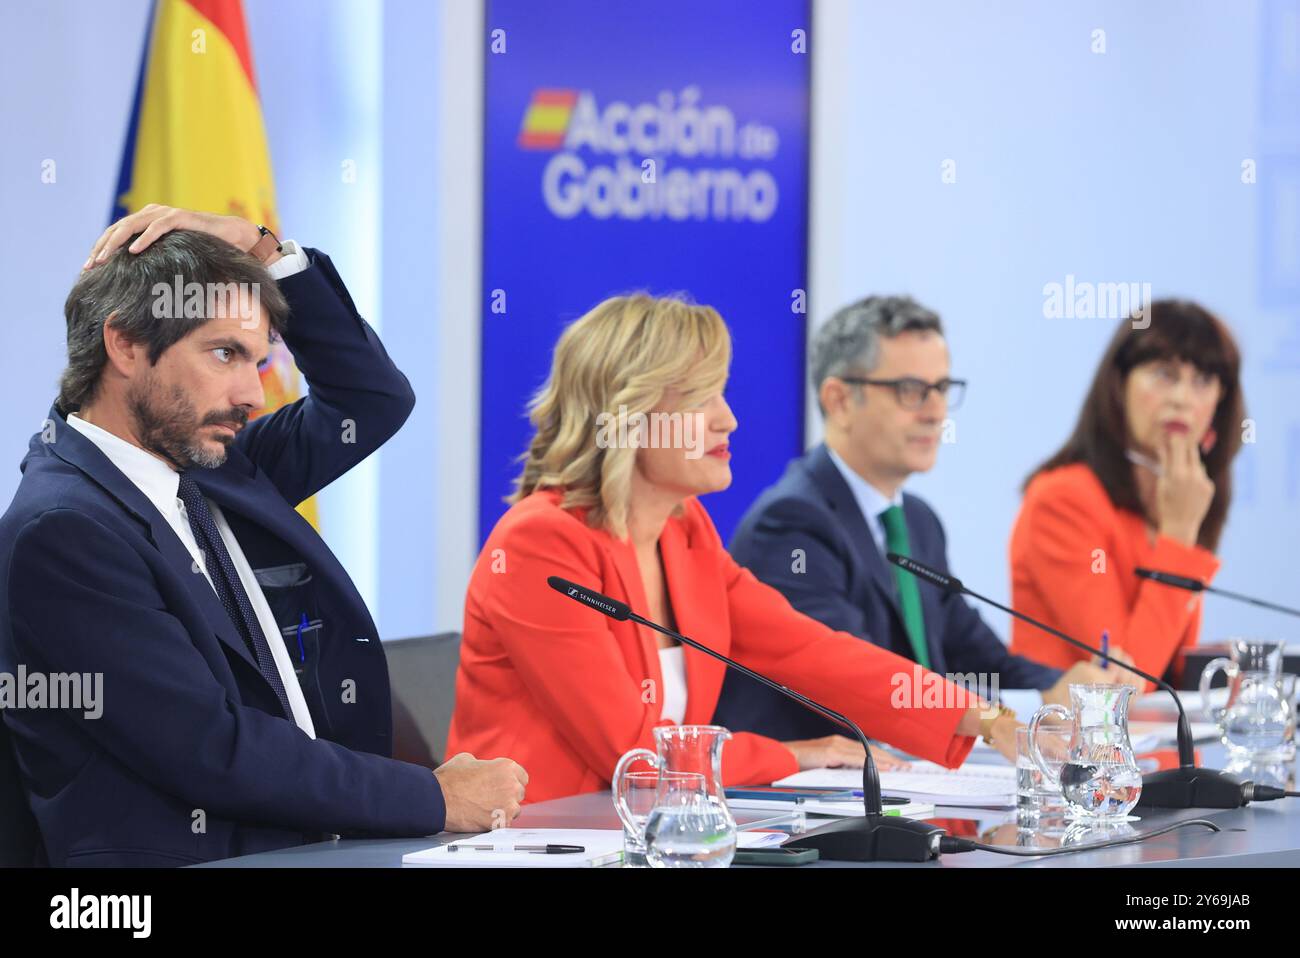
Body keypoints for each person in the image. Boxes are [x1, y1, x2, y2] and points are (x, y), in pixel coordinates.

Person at [0, 206, 525, 867]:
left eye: (259, 359)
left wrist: (262, 249)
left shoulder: (208, 463)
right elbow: (210, 749)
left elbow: (370, 401)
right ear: (125, 345)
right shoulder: (65, 530)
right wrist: (432, 796)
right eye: (225, 354)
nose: (252, 393)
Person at [447, 293, 1017, 806]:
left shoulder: (683, 529)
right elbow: (635, 754)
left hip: (651, 833)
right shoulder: (540, 543)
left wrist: (987, 719)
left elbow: (811, 652)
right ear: (630, 416)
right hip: (544, 842)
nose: (729, 418)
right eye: (700, 397)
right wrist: (793, 754)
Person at [715, 296, 1118, 744]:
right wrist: (1010, 713)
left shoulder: (917, 522)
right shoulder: (792, 524)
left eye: (942, 388)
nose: (935, 412)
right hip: (816, 801)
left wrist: (1062, 686)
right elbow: (863, 683)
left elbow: (978, 656)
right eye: (911, 390)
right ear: (840, 399)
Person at [1010, 300, 1245, 688]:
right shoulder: (1062, 500)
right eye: (1164, 375)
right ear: (1119, 385)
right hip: (1079, 745)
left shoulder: (1179, 496)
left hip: (1159, 746)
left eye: (1202, 380)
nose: (1182, 399)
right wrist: (1180, 536)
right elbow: (1126, 682)